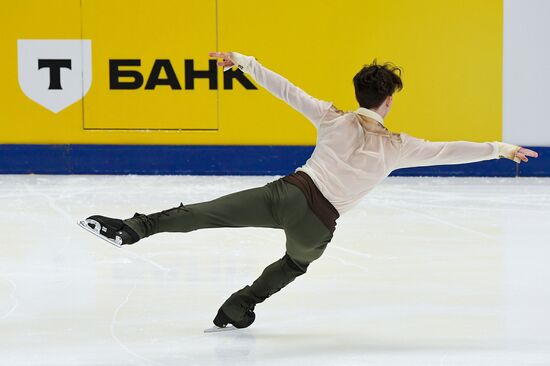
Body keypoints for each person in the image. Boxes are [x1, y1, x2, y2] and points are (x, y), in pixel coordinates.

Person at [81, 51, 538, 329]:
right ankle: (239, 306)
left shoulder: (332, 116)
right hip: (319, 223)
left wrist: (244, 62)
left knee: (205, 212)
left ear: (359, 93)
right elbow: (449, 151)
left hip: (289, 193)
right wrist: (498, 148)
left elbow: (286, 90)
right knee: (294, 263)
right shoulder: (400, 147)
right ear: (390, 99)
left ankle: (135, 228)